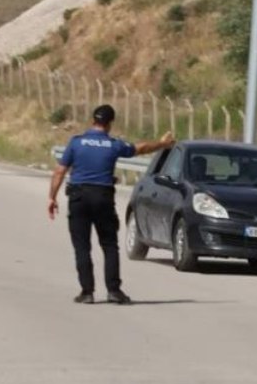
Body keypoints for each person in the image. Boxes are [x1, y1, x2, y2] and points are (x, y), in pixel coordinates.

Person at [47, 105, 176, 305]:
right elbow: (139, 148)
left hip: (79, 198)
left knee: (82, 247)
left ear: (93, 121)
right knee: (109, 245)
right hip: (103, 198)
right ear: (109, 124)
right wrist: (161, 144)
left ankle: (87, 292)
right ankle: (114, 290)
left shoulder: (76, 143)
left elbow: (59, 172)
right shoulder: (113, 145)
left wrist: (52, 197)